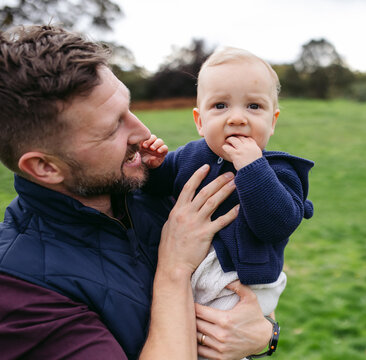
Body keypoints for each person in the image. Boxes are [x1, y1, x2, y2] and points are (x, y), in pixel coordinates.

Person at [0, 25, 274, 360]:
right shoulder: (19, 290)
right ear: (45, 167)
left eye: (128, 108)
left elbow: (242, 288)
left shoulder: (155, 190)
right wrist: (174, 269)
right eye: (113, 126)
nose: (142, 131)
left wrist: (265, 334)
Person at [141, 47, 314, 321]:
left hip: (241, 284)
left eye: (253, 106)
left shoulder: (279, 171)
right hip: (190, 275)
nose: (237, 118)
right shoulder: (190, 155)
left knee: (217, 341)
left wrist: (253, 168)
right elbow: (156, 187)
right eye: (220, 106)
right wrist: (153, 166)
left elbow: (277, 225)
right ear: (200, 120)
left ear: (273, 122)